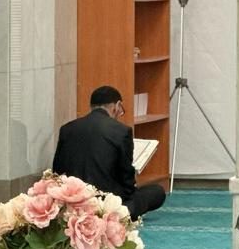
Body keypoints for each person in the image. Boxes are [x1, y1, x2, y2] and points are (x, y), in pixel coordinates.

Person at [52, 86, 166, 218]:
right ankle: (120, 214)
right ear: (117, 106)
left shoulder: (67, 128)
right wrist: (130, 195)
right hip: (106, 203)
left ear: (91, 106)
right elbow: (126, 177)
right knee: (157, 192)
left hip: (73, 202)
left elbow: (57, 169)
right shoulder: (122, 131)